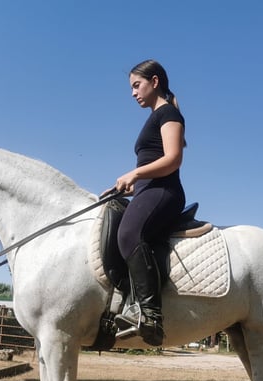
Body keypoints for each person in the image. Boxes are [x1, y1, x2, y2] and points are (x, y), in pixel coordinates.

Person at [109, 59, 187, 346]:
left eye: (136, 85)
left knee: (129, 233)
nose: (133, 93)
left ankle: (151, 315)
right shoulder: (154, 116)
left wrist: (136, 172)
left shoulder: (168, 114)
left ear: (155, 82)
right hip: (148, 189)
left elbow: (172, 159)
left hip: (165, 190)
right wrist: (127, 186)